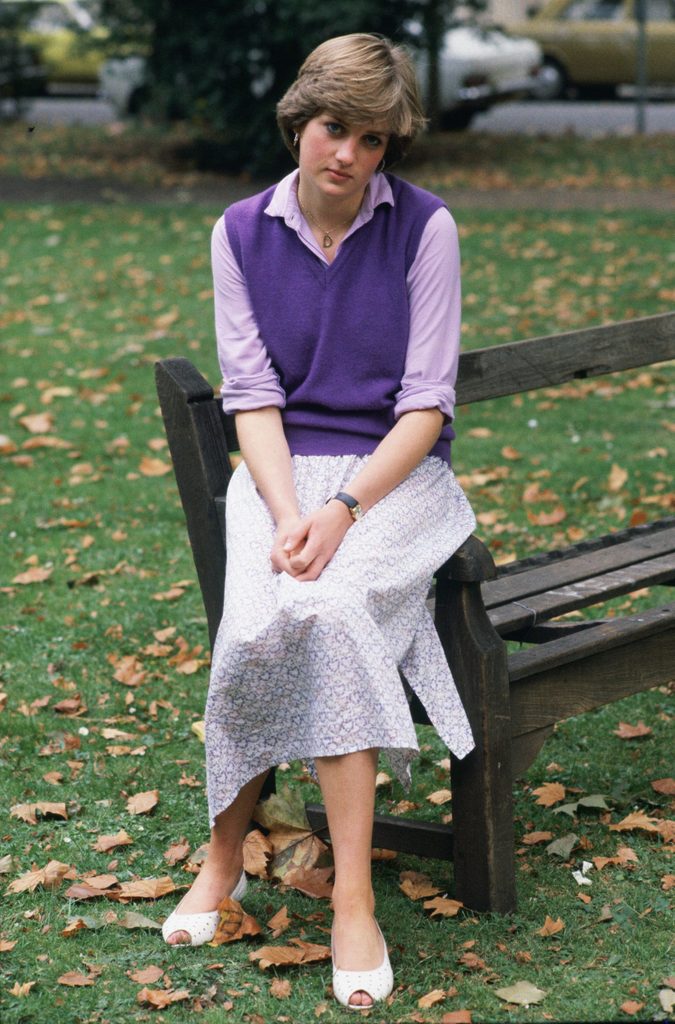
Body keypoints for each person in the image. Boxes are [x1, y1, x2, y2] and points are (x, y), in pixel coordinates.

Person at [161, 32, 476, 1010]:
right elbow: (250, 396)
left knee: (331, 613)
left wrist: (342, 511)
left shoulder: (427, 231)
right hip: (279, 476)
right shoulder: (239, 232)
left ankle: (352, 898)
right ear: (300, 119)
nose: (349, 155)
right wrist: (291, 509)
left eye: (375, 140)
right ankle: (224, 858)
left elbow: (426, 407)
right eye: (336, 128)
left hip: (393, 481)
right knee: (259, 617)